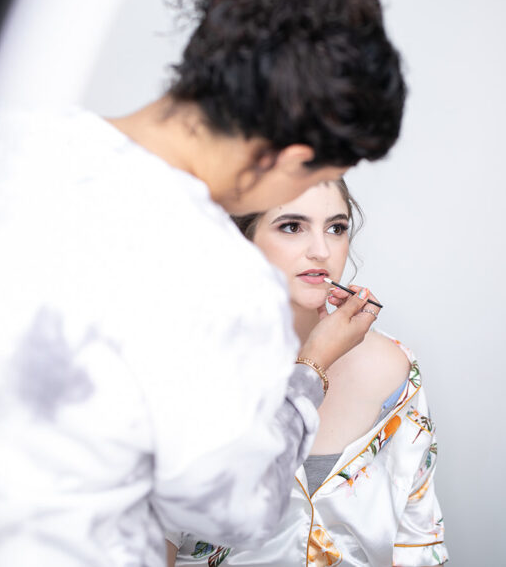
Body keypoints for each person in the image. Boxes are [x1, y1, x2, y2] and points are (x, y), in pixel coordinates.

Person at [0, 0, 405, 567]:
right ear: (291, 157)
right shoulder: (221, 279)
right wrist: (310, 372)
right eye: (315, 185)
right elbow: (234, 512)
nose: (318, 241)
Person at [167, 180, 448, 566]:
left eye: (336, 228)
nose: (321, 251)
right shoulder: (183, 370)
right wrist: (313, 363)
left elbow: (419, 542)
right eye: (292, 226)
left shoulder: (394, 369)